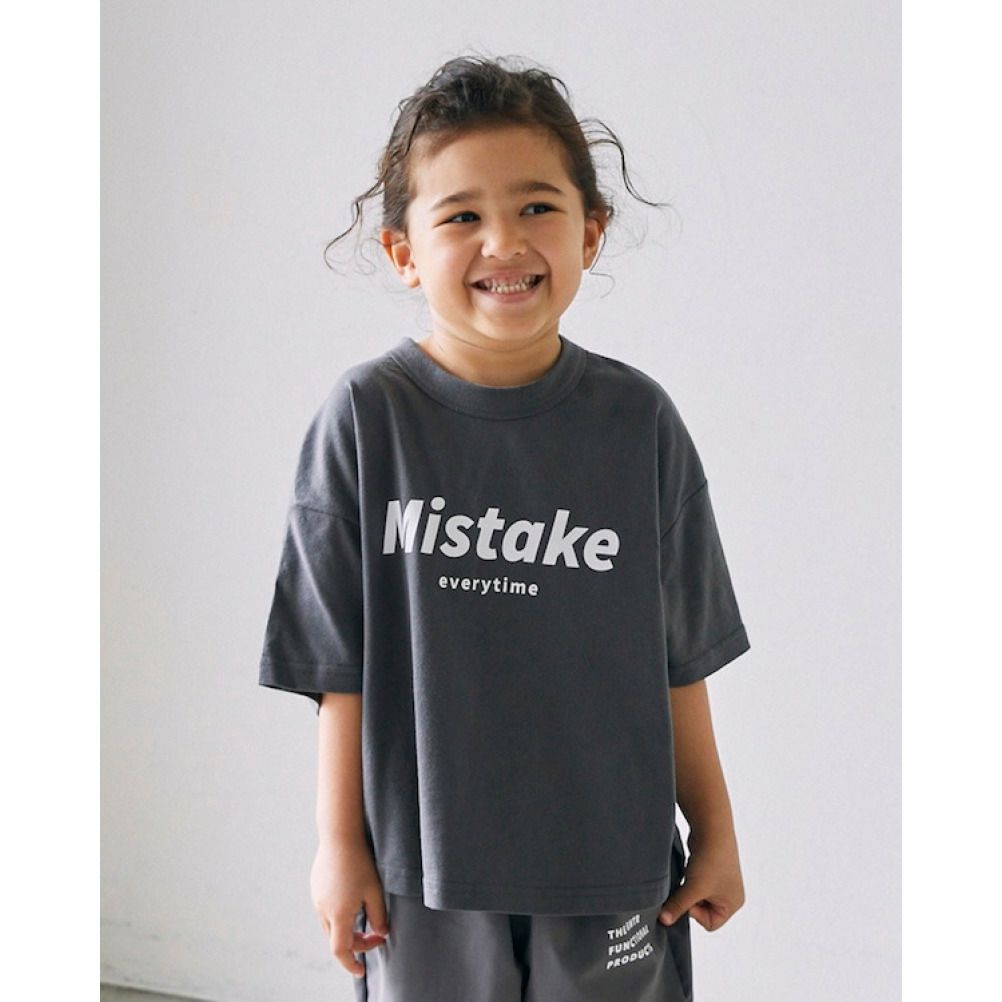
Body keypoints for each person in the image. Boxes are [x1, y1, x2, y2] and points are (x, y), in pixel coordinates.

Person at [258, 53, 751, 1002]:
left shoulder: (638, 422)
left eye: (536, 207)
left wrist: (716, 828)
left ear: (589, 233)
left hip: (613, 864)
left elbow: (681, 655)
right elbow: (336, 670)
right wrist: (337, 846)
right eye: (460, 217)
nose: (503, 242)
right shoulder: (366, 420)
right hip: (423, 874)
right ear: (403, 251)